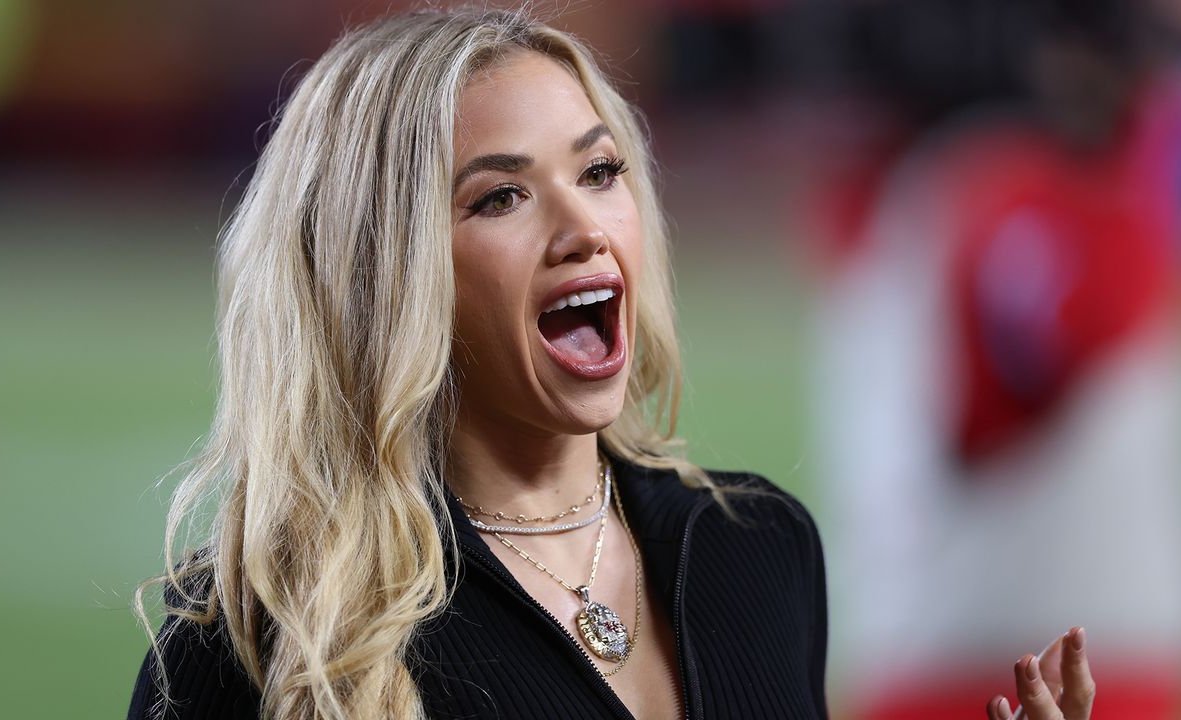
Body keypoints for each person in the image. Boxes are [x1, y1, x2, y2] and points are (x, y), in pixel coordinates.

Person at [126, 8, 1094, 720]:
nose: (581, 227)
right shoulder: (253, 639)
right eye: (500, 198)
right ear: (382, 270)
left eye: (598, 173)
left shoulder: (756, 550)